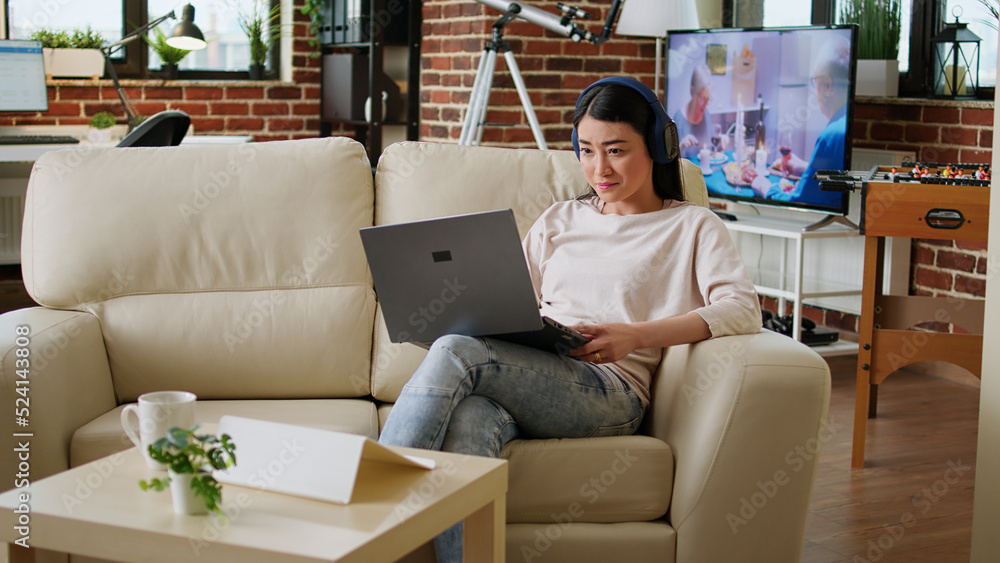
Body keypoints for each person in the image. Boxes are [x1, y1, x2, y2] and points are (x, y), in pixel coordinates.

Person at [377, 76, 762, 563]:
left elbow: (743, 308)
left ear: (659, 148)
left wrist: (635, 336)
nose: (599, 168)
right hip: (539, 372)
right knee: (470, 422)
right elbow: (513, 302)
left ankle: (365, 515)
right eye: (586, 150)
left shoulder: (691, 225)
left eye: (616, 150)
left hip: (610, 389)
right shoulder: (560, 219)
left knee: (456, 349)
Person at [756, 36, 850, 208]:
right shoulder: (845, 123)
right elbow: (835, 176)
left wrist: (763, 186)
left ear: (827, 85)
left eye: (815, 81)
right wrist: (805, 168)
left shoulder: (831, 136)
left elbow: (800, 200)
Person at [674, 64, 714, 159]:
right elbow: (670, 162)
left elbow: (712, 151)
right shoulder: (678, 120)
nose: (705, 105)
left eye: (708, 100)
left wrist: (721, 144)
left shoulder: (706, 114)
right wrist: (681, 146)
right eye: (702, 99)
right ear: (692, 92)